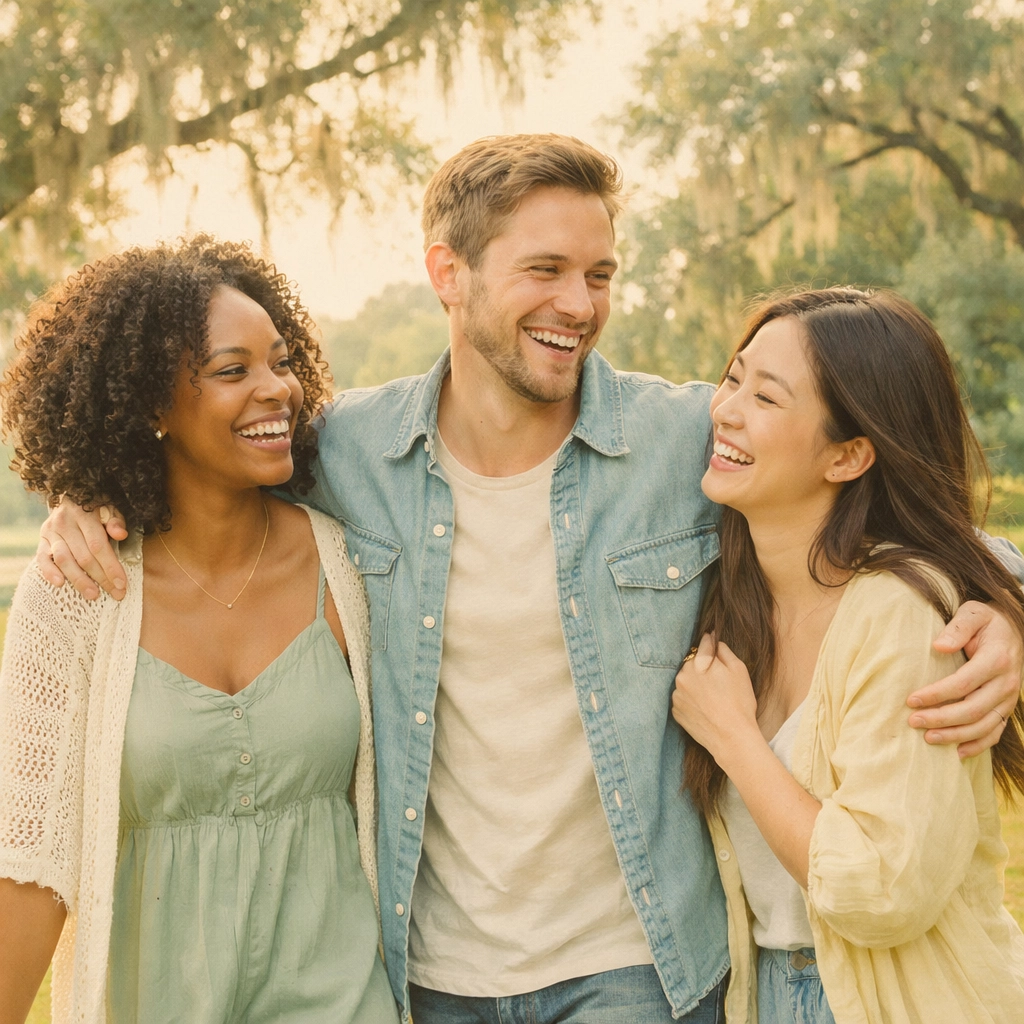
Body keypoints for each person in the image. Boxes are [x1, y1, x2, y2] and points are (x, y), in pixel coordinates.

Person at [35, 137, 1024, 1024]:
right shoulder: (346, 452)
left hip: (635, 966)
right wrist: (79, 505)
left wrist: (1003, 606)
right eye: (545, 269)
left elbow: (893, 504)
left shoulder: (683, 440)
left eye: (599, 273)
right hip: (426, 970)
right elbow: (190, 461)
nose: (580, 304)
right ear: (447, 273)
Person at [0, 237, 400, 1024]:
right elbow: (31, 858)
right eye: (232, 370)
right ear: (150, 405)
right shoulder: (73, 597)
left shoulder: (351, 568)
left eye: (281, 363)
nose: (276, 390)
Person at [672, 288, 1024, 1023]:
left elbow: (880, 888)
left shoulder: (906, 616)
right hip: (765, 991)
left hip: (910, 998)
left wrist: (736, 740)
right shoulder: (730, 596)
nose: (727, 410)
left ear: (849, 454)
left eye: (766, 398)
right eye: (733, 379)